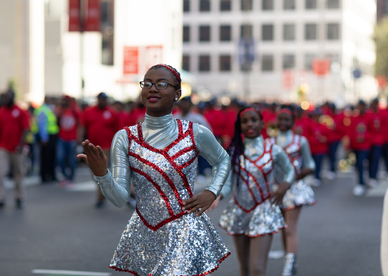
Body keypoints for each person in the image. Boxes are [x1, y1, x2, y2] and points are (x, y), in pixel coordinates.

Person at [77, 64, 231, 275]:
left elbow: (223, 160)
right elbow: (120, 199)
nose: (153, 89)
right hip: (145, 233)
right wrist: (102, 174)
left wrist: (212, 191)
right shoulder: (125, 137)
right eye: (147, 83)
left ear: (177, 93)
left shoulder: (195, 132)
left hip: (184, 232)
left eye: (161, 84)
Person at [211, 105, 295, 276]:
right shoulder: (234, 151)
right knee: (245, 269)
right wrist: (216, 195)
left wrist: (284, 186)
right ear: (240, 126)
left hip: (263, 211)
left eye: (254, 120)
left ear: (262, 124)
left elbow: (290, 170)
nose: (250, 124)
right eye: (245, 122)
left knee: (257, 268)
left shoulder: (273, 150)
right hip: (240, 210)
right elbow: (228, 183)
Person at [267, 105, 315, 276]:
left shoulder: (300, 141)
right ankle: (290, 257)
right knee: (282, 227)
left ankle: (289, 266)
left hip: (294, 189)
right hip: (275, 188)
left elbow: (310, 165)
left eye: (286, 119)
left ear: (293, 122)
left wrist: (295, 176)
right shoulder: (270, 142)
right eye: (280, 119)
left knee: (290, 229)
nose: (283, 122)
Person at [0, 90, 30, 209]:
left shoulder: (21, 111)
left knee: (19, 173)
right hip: (3, 146)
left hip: (17, 148)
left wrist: (21, 146)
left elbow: (26, 128)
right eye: (5, 98)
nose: (6, 100)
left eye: (8, 97)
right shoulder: (0, 112)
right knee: (0, 172)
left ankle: (19, 197)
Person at [82, 92, 119, 208]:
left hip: (107, 146)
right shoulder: (89, 112)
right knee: (94, 173)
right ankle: (103, 193)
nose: (102, 101)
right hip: (92, 147)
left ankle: (101, 197)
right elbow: (84, 127)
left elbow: (118, 129)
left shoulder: (112, 112)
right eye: (100, 99)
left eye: (104, 99)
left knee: (102, 172)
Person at [347, 100, 371, 196]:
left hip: (365, 145)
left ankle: (362, 182)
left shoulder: (369, 117)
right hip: (355, 145)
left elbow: (374, 131)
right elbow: (350, 131)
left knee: (362, 162)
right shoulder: (353, 118)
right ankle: (361, 181)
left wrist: (364, 137)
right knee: (357, 164)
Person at [56, 95, 80, 186]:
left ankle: (71, 177)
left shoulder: (74, 111)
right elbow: (57, 123)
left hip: (72, 139)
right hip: (62, 138)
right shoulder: (61, 111)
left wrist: (79, 137)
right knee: (60, 158)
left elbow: (80, 124)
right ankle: (65, 176)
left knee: (71, 159)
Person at [35, 96, 59, 183]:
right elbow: (41, 125)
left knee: (51, 157)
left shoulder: (48, 109)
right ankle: (44, 175)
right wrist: (44, 138)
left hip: (52, 136)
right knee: (45, 157)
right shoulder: (43, 110)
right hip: (47, 137)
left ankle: (51, 174)